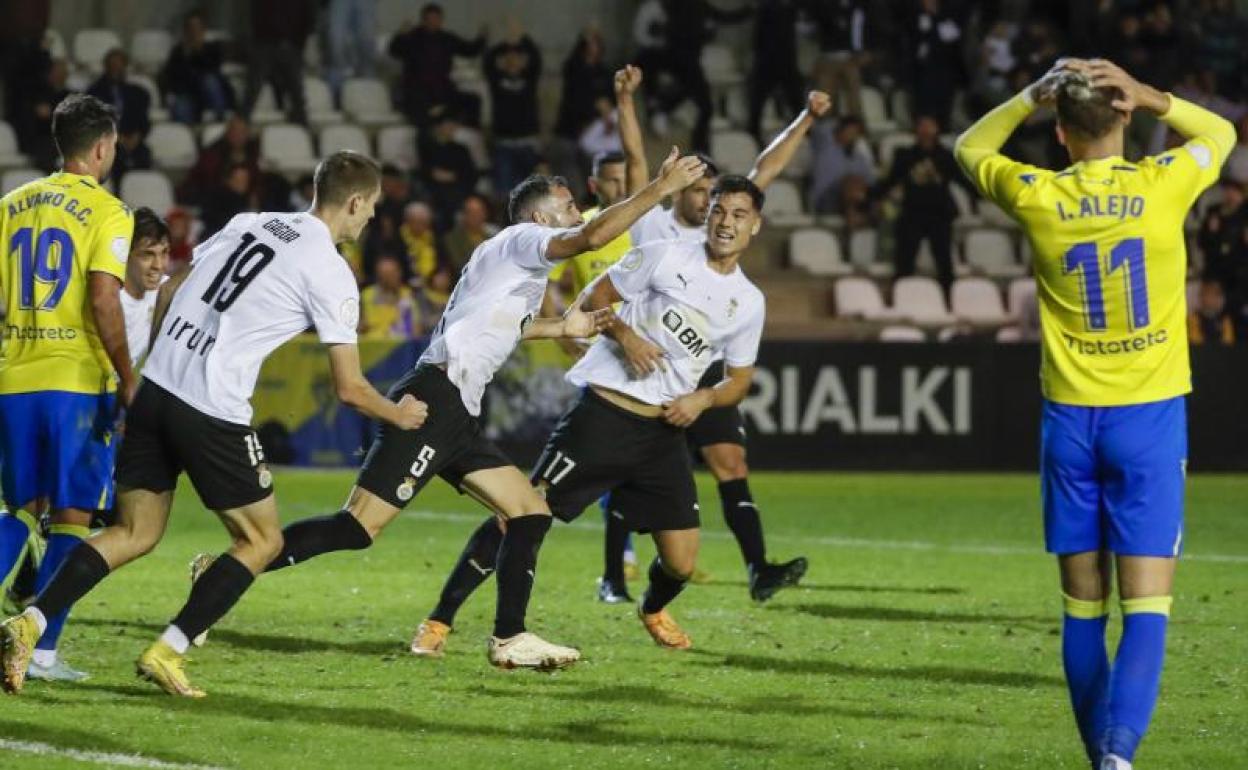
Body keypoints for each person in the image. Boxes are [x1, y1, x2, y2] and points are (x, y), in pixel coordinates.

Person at [190, 153, 707, 671]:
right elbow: (589, 240)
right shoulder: (521, 241)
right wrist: (660, 189)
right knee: (357, 528)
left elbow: (499, 323)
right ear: (540, 219)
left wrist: (561, 328)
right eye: (571, 206)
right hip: (436, 399)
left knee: (528, 511)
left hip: (458, 408)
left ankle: (510, 638)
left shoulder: (513, 262)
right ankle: (224, 569)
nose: (582, 214)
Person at [0, 151, 427, 697]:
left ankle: (28, 624)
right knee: (261, 540)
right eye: (372, 208)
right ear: (355, 201)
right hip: (212, 409)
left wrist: (156, 361)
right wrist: (401, 414)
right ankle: (168, 649)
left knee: (133, 532)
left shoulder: (251, 223)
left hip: (157, 390)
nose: (371, 219)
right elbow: (350, 389)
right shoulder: (332, 272)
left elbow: (175, 286)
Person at [954, 58, 1235, 769]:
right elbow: (1223, 132)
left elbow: (969, 149)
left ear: (1058, 131)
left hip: (1071, 425)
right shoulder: (1163, 184)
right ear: (1127, 119)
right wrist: (1154, 94)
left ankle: (1097, 757)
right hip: (1147, 420)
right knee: (1147, 607)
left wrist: (1025, 93)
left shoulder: (1037, 193)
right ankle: (1119, 755)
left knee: (1083, 608)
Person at [413, 174, 768, 656]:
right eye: (719, 211)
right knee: (517, 514)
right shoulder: (664, 254)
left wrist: (702, 400)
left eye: (738, 215)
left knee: (682, 562)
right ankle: (439, 620)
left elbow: (739, 380)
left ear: (756, 226)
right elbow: (594, 300)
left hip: (663, 432)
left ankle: (651, 607)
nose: (725, 222)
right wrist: (626, 336)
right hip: (603, 417)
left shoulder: (748, 302)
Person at [607, 66, 827, 603]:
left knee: (731, 461)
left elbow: (763, 171)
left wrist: (805, 118)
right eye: (702, 190)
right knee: (627, 469)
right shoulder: (656, 225)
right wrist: (626, 99)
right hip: (653, 359)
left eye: (715, 193)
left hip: (704, 367)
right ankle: (614, 575)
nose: (711, 202)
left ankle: (758, 569)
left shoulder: (727, 225)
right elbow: (636, 159)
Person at [0, 95, 137, 684]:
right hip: (76, 382)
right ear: (103, 147)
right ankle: (45, 651)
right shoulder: (109, 211)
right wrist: (128, 377)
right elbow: (104, 298)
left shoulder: (10, 205)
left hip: (14, 377)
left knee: (19, 512)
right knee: (73, 519)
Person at [871, 115, 972, 296]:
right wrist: (868, 199)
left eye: (930, 125)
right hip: (912, 213)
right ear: (916, 130)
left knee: (944, 262)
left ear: (937, 129)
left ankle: (949, 300)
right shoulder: (905, 155)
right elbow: (890, 181)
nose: (926, 130)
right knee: (904, 261)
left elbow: (962, 181)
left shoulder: (945, 156)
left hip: (939, 214)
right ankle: (900, 297)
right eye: (922, 126)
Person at [387, 3, 485, 128]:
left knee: (473, 100)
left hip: (443, 89)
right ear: (423, 20)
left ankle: (470, 136)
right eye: (430, 19)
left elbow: (470, 50)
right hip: (418, 92)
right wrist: (400, 34)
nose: (433, 22)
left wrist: (482, 37)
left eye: (437, 19)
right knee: (423, 109)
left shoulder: (447, 38)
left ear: (441, 20)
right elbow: (394, 51)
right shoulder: (412, 37)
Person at [483, 22, 543, 195]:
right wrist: (506, 43)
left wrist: (522, 38)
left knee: (531, 192)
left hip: (527, 142)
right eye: (508, 57)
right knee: (504, 190)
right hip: (503, 142)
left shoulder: (529, 78)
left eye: (517, 57)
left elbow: (537, 59)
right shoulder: (497, 80)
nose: (512, 60)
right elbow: (488, 62)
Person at [242, 0, 315, 125]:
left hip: (291, 46)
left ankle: (302, 132)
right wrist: (261, 40)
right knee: (252, 91)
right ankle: (240, 130)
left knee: (297, 94)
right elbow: (256, 15)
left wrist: (297, 44)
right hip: (265, 45)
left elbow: (307, 17)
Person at [160, 9, 235, 124]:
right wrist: (187, 55)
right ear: (186, 31)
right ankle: (187, 137)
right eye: (191, 29)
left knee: (209, 81)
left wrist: (199, 51)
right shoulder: (178, 51)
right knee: (180, 106)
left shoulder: (212, 48)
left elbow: (214, 71)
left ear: (203, 30)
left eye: (197, 28)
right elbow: (172, 76)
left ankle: (220, 120)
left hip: (208, 92)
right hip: (188, 94)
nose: (194, 32)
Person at [120, 208, 172, 370]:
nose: (158, 266)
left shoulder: (166, 289)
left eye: (164, 253)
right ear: (124, 255)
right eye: (147, 255)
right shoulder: (108, 297)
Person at [360, 254, 420, 339]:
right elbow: (358, 326)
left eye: (393, 273)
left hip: (400, 345)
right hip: (371, 344)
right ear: (378, 275)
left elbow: (416, 328)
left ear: (400, 273)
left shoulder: (408, 295)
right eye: (385, 274)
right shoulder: (367, 295)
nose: (390, 278)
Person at [1188, 279, 1236, 345]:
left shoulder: (1224, 318)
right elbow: (1196, 341)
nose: (1211, 298)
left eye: (1215, 294)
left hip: (1222, 353)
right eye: (1207, 294)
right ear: (1201, 297)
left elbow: (1228, 341)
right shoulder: (1194, 317)